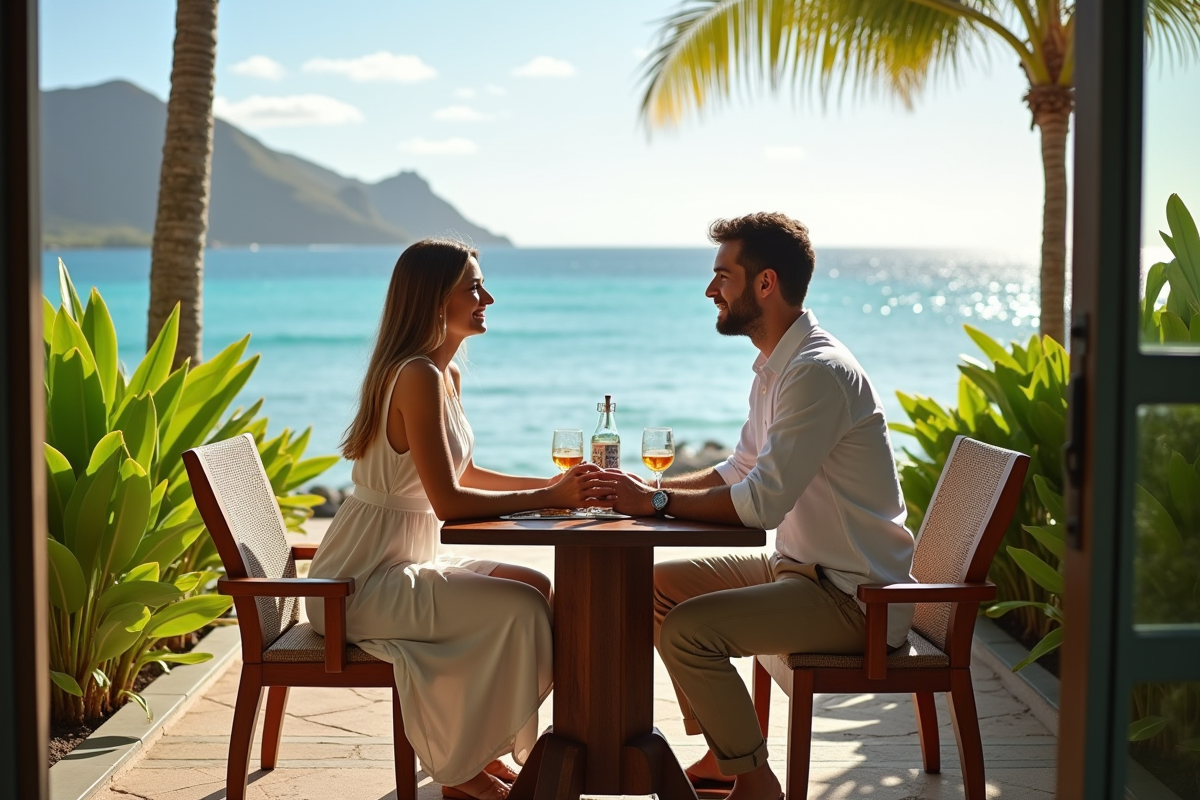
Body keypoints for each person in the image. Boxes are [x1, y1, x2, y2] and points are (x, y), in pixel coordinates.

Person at [601, 213, 917, 800]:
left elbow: (761, 504)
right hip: (802, 571)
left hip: (855, 599)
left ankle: (755, 782)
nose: (710, 290)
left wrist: (659, 502)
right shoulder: (778, 367)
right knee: (654, 588)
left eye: (723, 275)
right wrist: (650, 495)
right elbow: (739, 469)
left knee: (689, 632)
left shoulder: (817, 372)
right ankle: (725, 755)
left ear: (765, 283)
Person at [306, 239, 611, 800]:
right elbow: (449, 502)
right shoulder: (415, 375)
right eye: (473, 287)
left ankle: (475, 751)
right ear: (432, 299)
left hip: (404, 559)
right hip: (357, 584)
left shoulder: (444, 375)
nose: (487, 298)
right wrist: (551, 494)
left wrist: (560, 491)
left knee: (538, 587)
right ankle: (463, 770)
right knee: (520, 609)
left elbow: (465, 472)